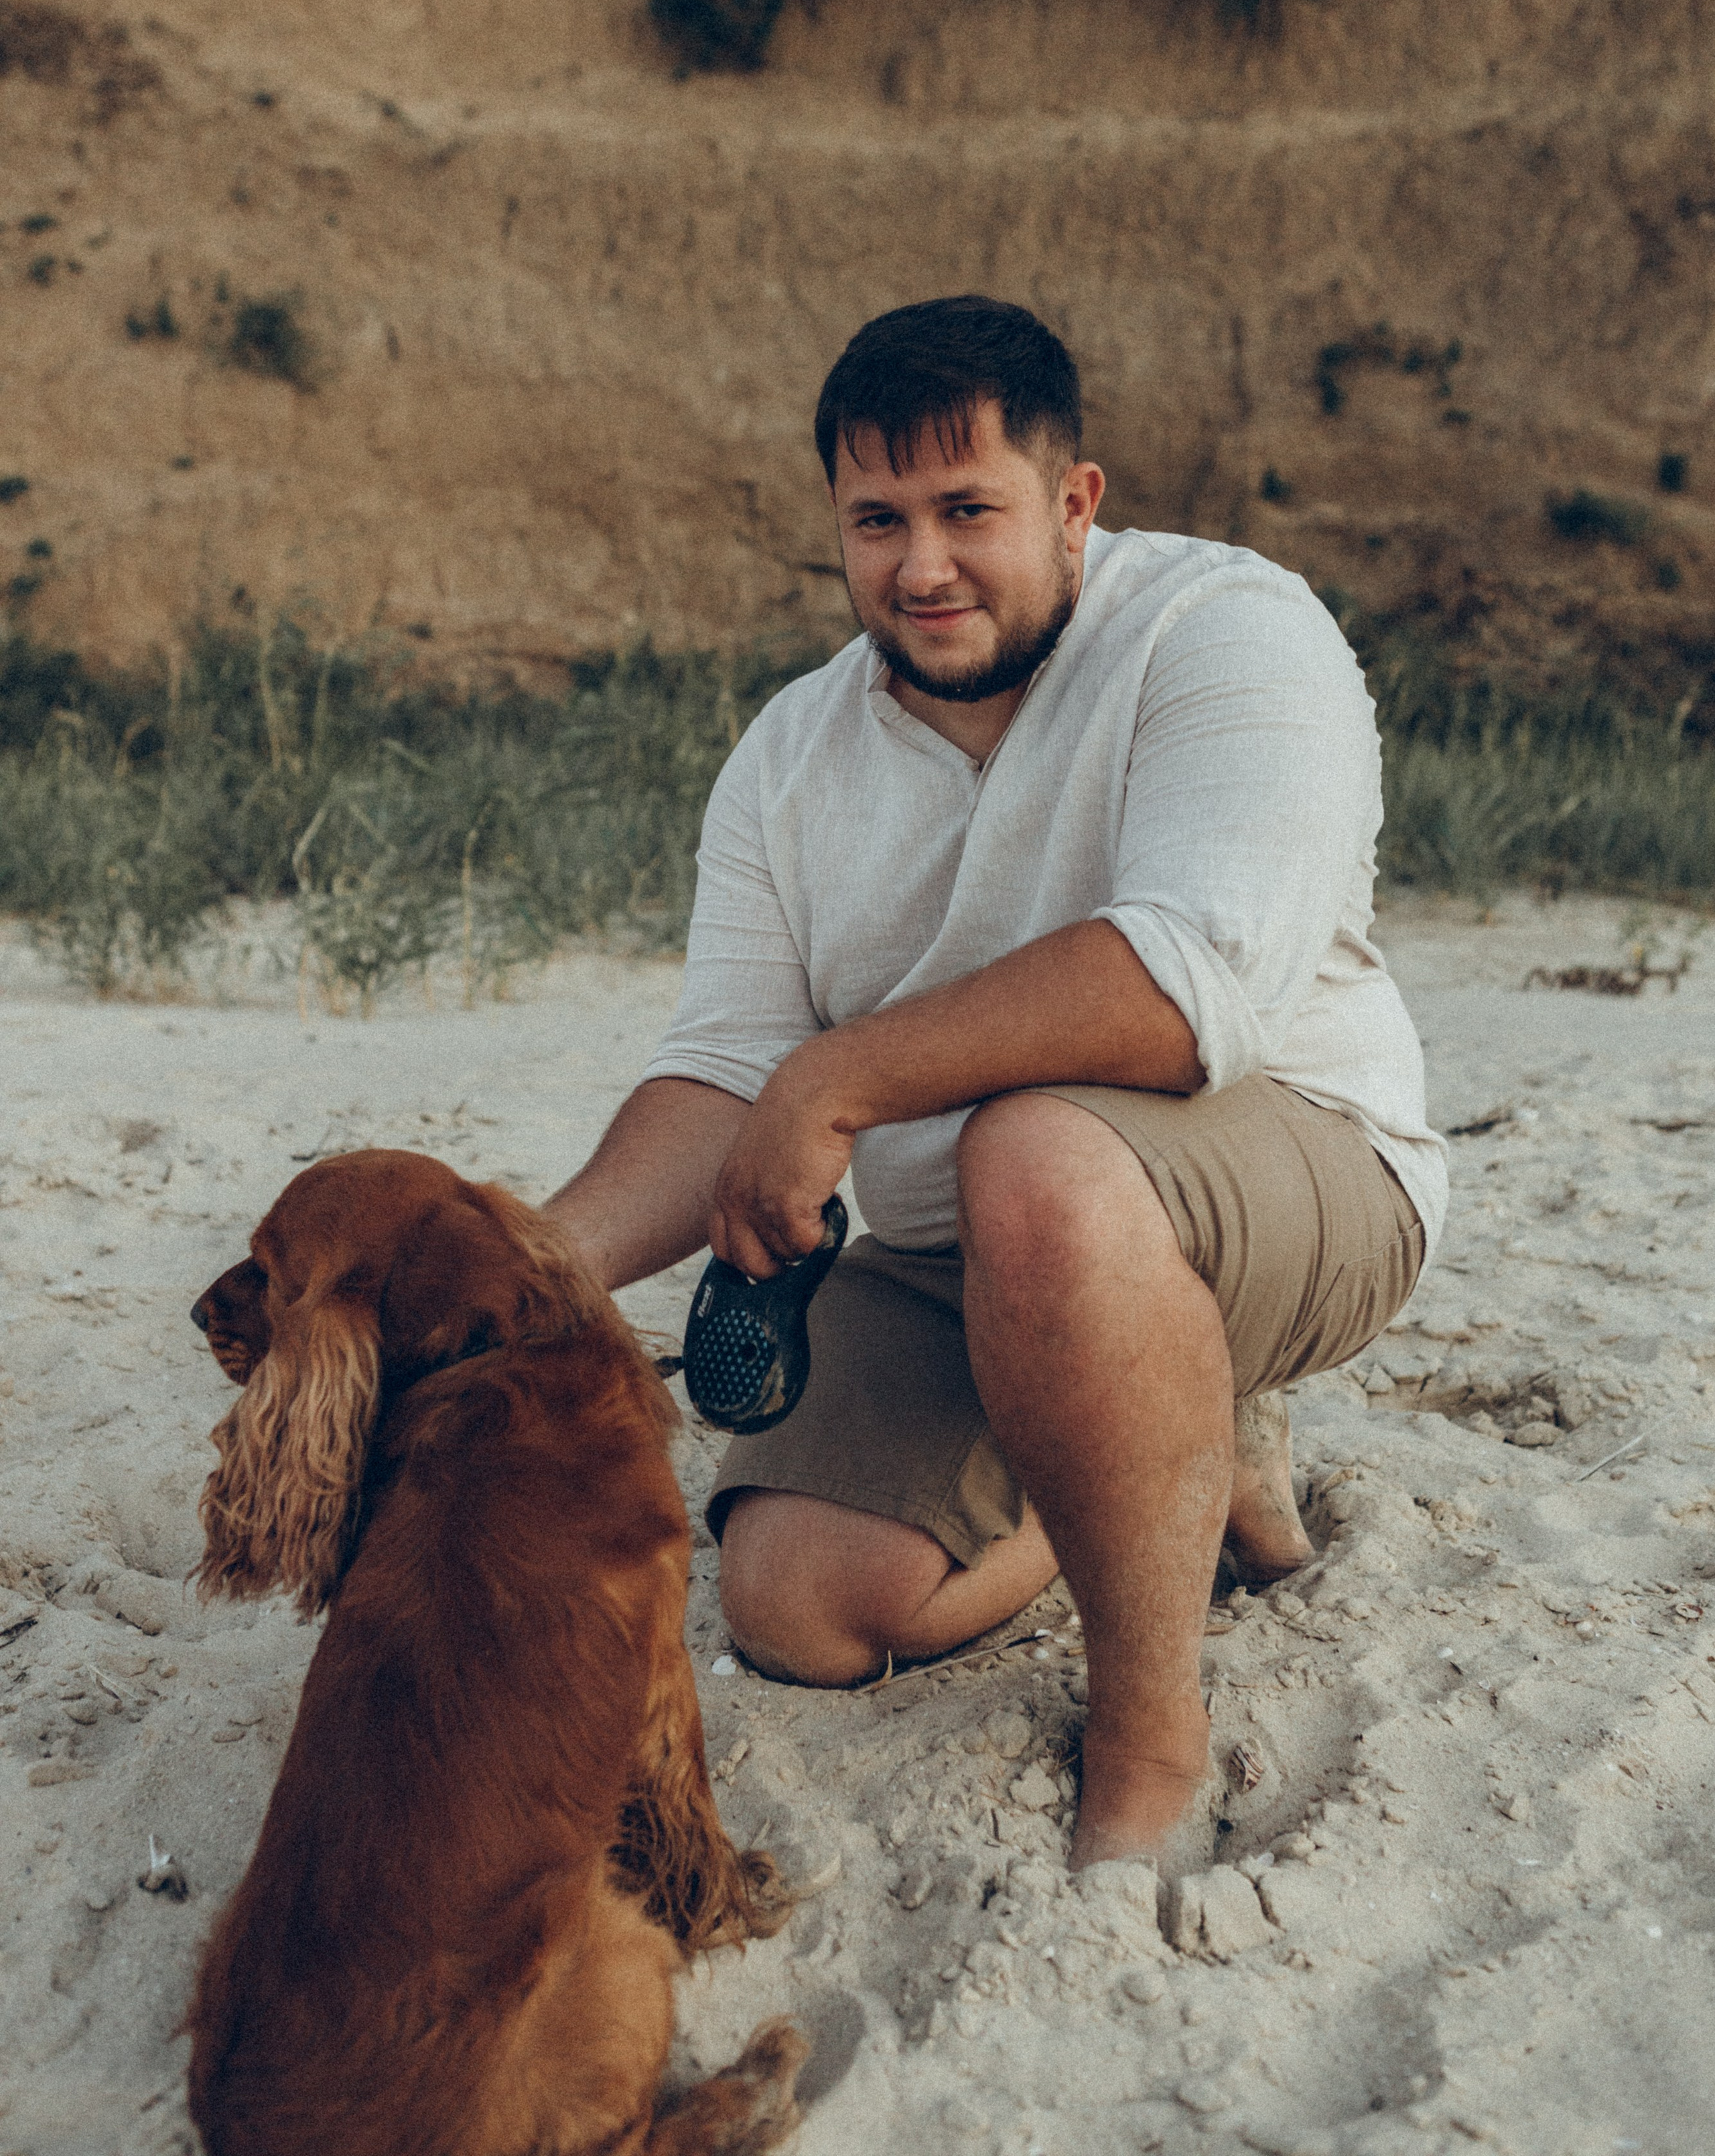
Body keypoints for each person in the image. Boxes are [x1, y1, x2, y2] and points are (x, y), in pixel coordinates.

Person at [543, 295, 1445, 1869]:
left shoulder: (1228, 630)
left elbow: (1189, 990)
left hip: (1302, 1177)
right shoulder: (786, 758)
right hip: (971, 1250)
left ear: (1072, 501)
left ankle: (1151, 1735)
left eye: (968, 509)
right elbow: (724, 1075)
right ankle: (1158, 1442)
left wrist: (837, 1078)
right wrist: (525, 1269)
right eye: (876, 519)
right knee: (800, 1605)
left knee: (1034, 1153)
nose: (920, 565)